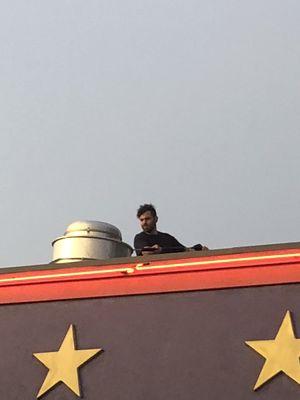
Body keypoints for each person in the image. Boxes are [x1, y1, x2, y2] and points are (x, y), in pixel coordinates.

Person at [134, 204, 206, 256]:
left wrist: (201, 251)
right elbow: (146, 253)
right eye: (141, 220)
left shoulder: (167, 238)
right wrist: (156, 250)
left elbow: (185, 251)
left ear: (156, 219)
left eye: (147, 219)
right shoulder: (140, 238)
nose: (144, 222)